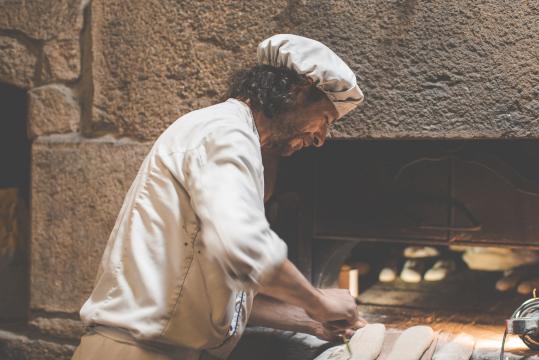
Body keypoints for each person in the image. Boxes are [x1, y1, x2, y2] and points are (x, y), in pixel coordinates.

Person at [72, 34, 365, 360]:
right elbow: (245, 248)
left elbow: (213, 290)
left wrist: (307, 319)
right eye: (324, 119)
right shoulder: (225, 133)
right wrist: (318, 301)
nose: (321, 138)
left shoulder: (237, 139)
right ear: (297, 91)